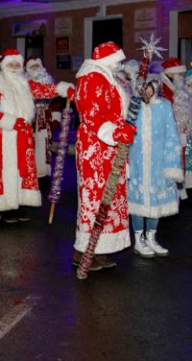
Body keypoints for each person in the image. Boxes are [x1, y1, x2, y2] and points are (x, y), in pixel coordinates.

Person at [0, 49, 73, 223]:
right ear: (4, 66)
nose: (15, 67)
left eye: (17, 64)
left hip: (23, 134)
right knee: (6, 171)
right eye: (11, 64)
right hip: (4, 136)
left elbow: (45, 90)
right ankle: (6, 208)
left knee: (23, 168)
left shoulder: (27, 84)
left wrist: (63, 89)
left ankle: (21, 203)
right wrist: (9, 121)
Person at [73, 42, 135, 270]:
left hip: (113, 146)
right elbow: (90, 111)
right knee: (94, 198)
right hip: (95, 146)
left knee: (111, 197)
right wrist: (113, 131)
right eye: (117, 59)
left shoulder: (111, 77)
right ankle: (82, 251)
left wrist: (124, 128)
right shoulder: (91, 77)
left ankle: (102, 248)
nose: (120, 64)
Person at [127, 78, 183, 258]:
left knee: (157, 199)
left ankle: (151, 237)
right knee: (138, 201)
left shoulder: (164, 106)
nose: (148, 92)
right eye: (145, 88)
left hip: (158, 163)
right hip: (137, 162)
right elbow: (124, 134)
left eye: (151, 88)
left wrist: (172, 165)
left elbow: (172, 136)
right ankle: (139, 239)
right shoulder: (132, 106)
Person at [160, 57, 192, 201]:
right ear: (171, 74)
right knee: (169, 162)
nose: (182, 77)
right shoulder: (163, 89)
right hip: (168, 134)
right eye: (179, 74)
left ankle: (179, 189)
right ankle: (167, 192)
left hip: (181, 132)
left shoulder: (180, 89)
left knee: (180, 162)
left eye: (182, 74)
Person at [25, 57, 61, 181]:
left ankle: (43, 173)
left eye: (37, 66)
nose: (35, 69)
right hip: (29, 117)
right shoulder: (24, 82)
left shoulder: (48, 81)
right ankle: (30, 173)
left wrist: (56, 118)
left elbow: (55, 102)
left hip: (45, 116)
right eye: (32, 67)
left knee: (45, 145)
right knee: (30, 144)